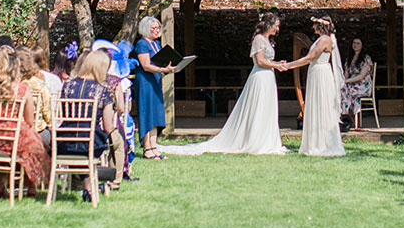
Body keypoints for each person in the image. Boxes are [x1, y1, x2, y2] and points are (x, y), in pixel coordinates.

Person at [162, 12, 288, 156]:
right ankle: (255, 140)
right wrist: (276, 65)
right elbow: (259, 61)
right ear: (268, 25)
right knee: (258, 107)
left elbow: (267, 61)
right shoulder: (259, 39)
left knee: (267, 107)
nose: (277, 29)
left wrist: (277, 64)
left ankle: (266, 140)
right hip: (260, 77)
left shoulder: (268, 40)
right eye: (276, 26)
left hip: (268, 77)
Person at [0, 46, 49, 194]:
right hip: (12, 138)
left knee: (12, 141)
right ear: (15, 67)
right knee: (31, 144)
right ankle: (31, 185)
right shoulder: (21, 89)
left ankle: (0, 185)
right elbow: (30, 121)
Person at [58, 50, 125, 198]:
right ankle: (114, 180)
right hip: (89, 142)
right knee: (118, 141)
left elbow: (63, 114)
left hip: (64, 140)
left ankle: (80, 183)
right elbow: (107, 126)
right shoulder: (103, 91)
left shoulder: (67, 86)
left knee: (81, 144)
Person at [283, 15, 345, 157]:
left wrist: (289, 65)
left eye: (315, 25)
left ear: (320, 26)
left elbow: (310, 58)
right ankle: (317, 141)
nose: (312, 27)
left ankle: (322, 144)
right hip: (318, 73)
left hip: (320, 74)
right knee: (317, 105)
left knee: (321, 105)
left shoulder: (324, 40)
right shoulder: (323, 39)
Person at [133, 16, 175, 159]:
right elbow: (145, 65)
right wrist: (162, 70)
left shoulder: (157, 43)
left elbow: (160, 62)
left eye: (158, 28)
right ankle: (146, 148)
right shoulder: (142, 44)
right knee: (147, 112)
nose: (157, 30)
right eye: (154, 28)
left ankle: (154, 146)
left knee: (156, 112)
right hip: (145, 81)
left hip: (156, 80)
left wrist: (170, 67)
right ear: (146, 29)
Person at [19, 48, 53, 149]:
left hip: (12, 131)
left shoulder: (9, 85)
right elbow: (48, 116)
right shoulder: (40, 86)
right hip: (37, 132)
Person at [339, 36, 373, 129]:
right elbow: (346, 75)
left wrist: (346, 81)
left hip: (363, 84)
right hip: (351, 83)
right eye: (354, 43)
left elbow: (361, 76)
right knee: (342, 90)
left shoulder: (366, 58)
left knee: (349, 91)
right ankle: (346, 117)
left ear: (362, 45)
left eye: (358, 43)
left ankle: (346, 117)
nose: (355, 45)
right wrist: (343, 82)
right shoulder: (349, 59)